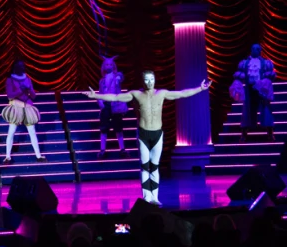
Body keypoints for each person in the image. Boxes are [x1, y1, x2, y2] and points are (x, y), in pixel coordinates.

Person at [85, 71, 211, 205]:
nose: (149, 82)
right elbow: (115, 97)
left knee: (155, 166)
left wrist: (200, 88)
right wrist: (96, 96)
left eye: (152, 79)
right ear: (142, 81)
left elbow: (181, 94)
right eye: (146, 79)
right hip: (143, 135)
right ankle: (146, 197)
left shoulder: (161, 93)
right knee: (145, 167)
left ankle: (155, 197)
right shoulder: (136, 95)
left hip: (157, 134)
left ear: (155, 80)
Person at [1, 60, 47, 164]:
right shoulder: (10, 80)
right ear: (15, 68)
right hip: (16, 106)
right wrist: (21, 90)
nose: (22, 68)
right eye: (19, 66)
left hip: (27, 106)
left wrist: (29, 89)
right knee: (11, 131)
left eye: (23, 66)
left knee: (32, 132)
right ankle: (7, 156)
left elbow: (34, 96)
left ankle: (38, 156)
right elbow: (10, 95)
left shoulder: (27, 79)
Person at [234, 44, 276, 143]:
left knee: (266, 109)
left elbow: (271, 75)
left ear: (260, 51)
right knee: (247, 111)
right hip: (249, 89)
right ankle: (244, 134)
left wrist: (265, 83)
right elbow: (240, 74)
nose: (255, 50)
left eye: (257, 49)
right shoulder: (245, 63)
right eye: (253, 48)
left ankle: (270, 133)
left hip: (261, 89)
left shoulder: (266, 63)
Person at [97, 55, 129, 158]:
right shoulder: (102, 81)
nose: (108, 66)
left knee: (118, 128)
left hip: (115, 105)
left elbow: (121, 78)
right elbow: (101, 92)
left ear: (113, 65)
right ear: (103, 66)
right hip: (106, 105)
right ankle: (102, 149)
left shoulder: (117, 76)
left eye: (110, 64)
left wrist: (118, 78)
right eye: (107, 64)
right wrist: (100, 102)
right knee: (104, 128)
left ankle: (122, 149)